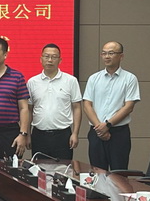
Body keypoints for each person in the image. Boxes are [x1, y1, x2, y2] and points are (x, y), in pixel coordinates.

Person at [83, 41, 140, 170]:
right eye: (104, 53)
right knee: (97, 173)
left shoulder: (130, 78)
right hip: (96, 132)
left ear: (121, 56)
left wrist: (108, 125)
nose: (107, 56)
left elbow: (129, 107)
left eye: (111, 53)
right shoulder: (94, 78)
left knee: (119, 174)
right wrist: (99, 128)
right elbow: (87, 104)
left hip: (118, 133)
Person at [27, 43, 82, 161]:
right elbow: (29, 110)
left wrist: (75, 133)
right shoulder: (32, 82)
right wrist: (27, 134)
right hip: (39, 135)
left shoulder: (71, 81)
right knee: (39, 169)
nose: (50, 60)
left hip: (63, 135)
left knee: (63, 169)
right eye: (46, 56)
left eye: (54, 57)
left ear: (60, 60)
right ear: (41, 59)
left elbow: (77, 108)